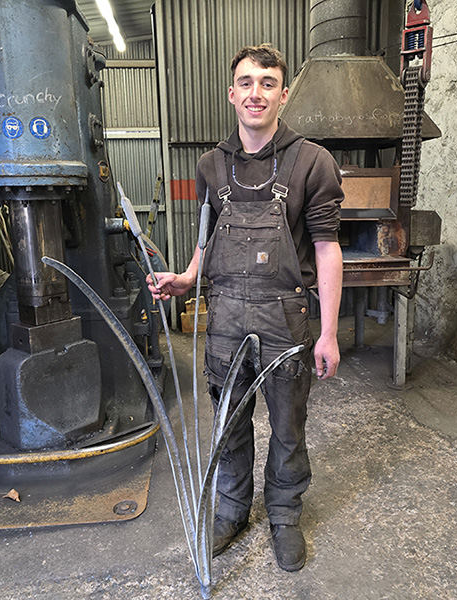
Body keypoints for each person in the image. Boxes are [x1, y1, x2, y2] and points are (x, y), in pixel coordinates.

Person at [148, 44, 343, 572]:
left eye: (267, 82)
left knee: (288, 426)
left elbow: (327, 249)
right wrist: (188, 277)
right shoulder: (210, 165)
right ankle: (231, 511)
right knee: (229, 424)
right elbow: (206, 235)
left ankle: (283, 514)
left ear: (282, 93)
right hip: (227, 317)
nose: (256, 92)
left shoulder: (312, 161)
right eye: (246, 82)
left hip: (286, 319)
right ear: (231, 93)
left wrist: (327, 332)